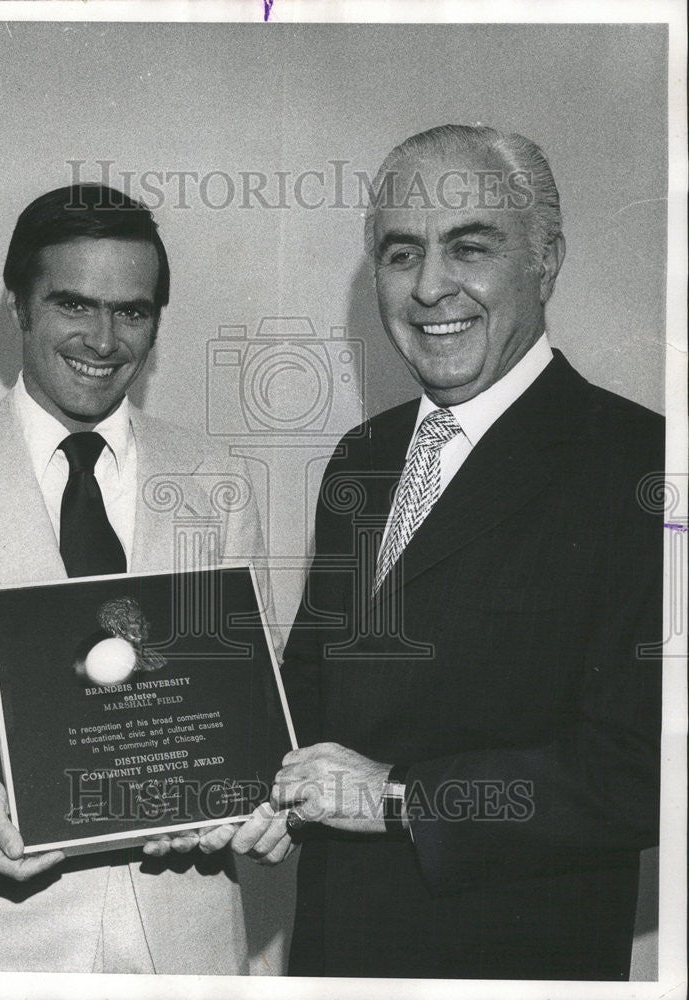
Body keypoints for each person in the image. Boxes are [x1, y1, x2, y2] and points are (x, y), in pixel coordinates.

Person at [230, 125, 664, 980]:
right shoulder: (361, 456)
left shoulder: (642, 466)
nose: (431, 287)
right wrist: (221, 771)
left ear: (546, 260)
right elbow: (312, 695)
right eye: (402, 253)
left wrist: (399, 797)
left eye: (470, 247)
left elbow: (642, 770)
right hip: (331, 959)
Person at [0, 184, 265, 973]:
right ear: (19, 309)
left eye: (132, 312)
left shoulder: (218, 480)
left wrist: (255, 796)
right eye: (74, 305)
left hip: (187, 935)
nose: (103, 340)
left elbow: (245, 696)